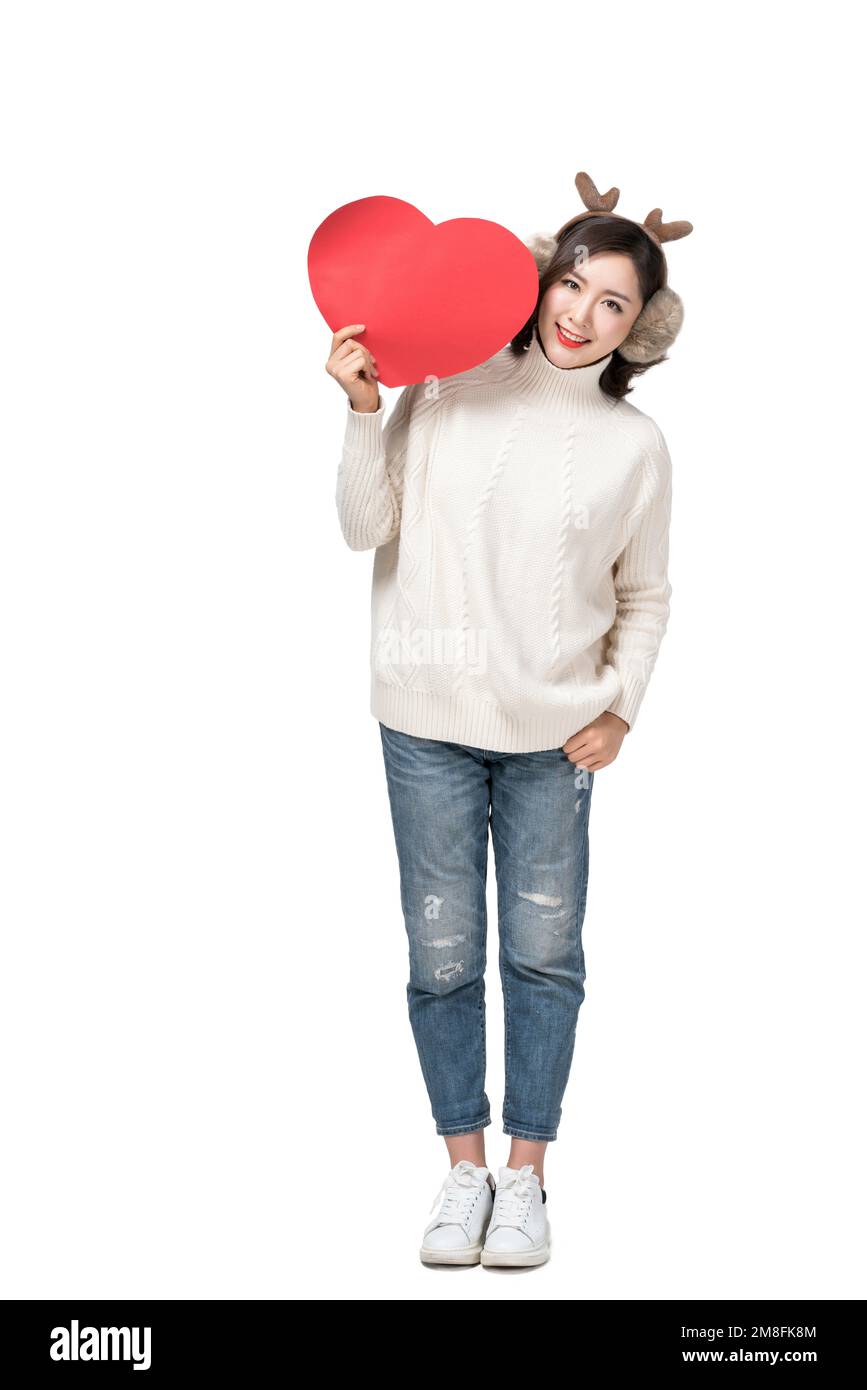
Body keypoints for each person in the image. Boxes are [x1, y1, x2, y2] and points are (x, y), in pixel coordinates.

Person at [327, 170, 691, 1268]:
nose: (581, 315)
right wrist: (361, 411)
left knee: (542, 956)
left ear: (639, 330)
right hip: (422, 722)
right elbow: (363, 527)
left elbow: (645, 595)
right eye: (571, 284)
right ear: (540, 281)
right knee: (442, 958)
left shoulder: (637, 448)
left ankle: (527, 1182)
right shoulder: (443, 385)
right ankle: (461, 1170)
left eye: (612, 304)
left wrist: (621, 706)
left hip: (554, 741)